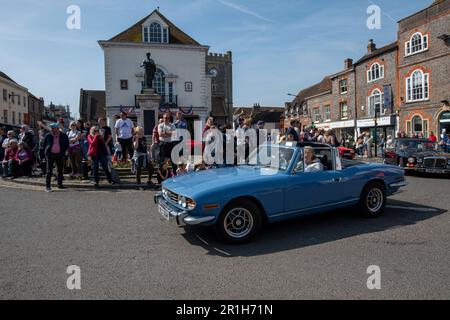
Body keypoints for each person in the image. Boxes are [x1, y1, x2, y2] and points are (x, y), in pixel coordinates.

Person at [43, 123, 69, 192]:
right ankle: (47, 186)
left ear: (57, 128)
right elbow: (44, 144)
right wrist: (46, 153)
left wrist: (64, 152)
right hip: (50, 155)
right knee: (49, 171)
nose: (52, 129)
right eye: (52, 128)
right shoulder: (48, 135)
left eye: (53, 128)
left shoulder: (63, 136)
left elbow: (67, 144)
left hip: (60, 155)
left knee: (60, 170)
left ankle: (60, 185)